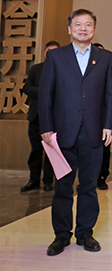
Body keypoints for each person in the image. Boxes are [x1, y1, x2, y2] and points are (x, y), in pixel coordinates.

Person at [38, 9, 112, 256]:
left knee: (89, 186)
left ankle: (85, 233)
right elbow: (46, 94)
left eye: (88, 24)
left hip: (93, 132)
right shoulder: (56, 56)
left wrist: (108, 124)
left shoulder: (106, 57)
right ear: (69, 29)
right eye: (78, 24)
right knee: (62, 187)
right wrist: (46, 128)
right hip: (62, 133)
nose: (83, 28)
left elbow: (110, 95)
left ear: (94, 29)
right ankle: (61, 235)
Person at [20, 40, 60, 193]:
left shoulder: (63, 70)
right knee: (35, 150)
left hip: (54, 118)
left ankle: (48, 180)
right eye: (48, 51)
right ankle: (33, 180)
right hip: (36, 116)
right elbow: (26, 87)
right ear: (44, 53)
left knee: (51, 151)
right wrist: (44, 92)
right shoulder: (36, 69)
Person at [93, 43, 111, 191]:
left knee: (104, 151)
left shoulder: (109, 72)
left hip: (103, 119)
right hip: (88, 119)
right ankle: (89, 178)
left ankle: (102, 178)